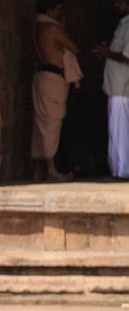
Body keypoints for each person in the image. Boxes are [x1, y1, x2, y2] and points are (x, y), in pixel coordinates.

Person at [31, 0, 81, 182]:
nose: (60, 13)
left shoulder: (36, 27)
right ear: (50, 10)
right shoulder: (52, 28)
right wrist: (62, 25)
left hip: (41, 76)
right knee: (52, 121)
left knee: (40, 123)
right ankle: (52, 170)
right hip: (53, 78)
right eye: (58, 9)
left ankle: (39, 170)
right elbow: (74, 48)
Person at [93, 0, 129, 179]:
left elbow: (126, 56)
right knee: (117, 130)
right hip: (117, 85)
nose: (116, 5)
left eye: (120, 2)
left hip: (121, 86)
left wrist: (107, 52)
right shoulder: (124, 23)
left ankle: (121, 171)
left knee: (119, 130)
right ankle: (119, 169)